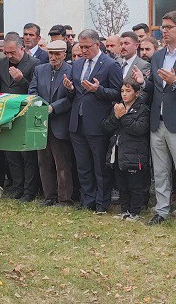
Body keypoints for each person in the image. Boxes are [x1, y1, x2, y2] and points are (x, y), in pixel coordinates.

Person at [131, 11, 176, 232]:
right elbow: (154, 89)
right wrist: (143, 82)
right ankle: (162, 210)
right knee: (160, 170)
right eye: (163, 27)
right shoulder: (158, 56)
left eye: (169, 27)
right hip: (158, 122)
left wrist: (175, 82)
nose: (164, 30)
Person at [63, 29, 122, 213]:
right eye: (81, 47)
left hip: (98, 123)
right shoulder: (77, 64)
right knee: (83, 165)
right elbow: (75, 94)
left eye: (87, 47)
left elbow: (117, 92)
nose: (83, 50)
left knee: (99, 166)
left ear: (97, 44)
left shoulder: (110, 65)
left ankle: (101, 203)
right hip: (77, 122)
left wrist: (98, 90)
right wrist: (70, 88)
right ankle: (87, 200)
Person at [0, 34, 40, 201]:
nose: (9, 56)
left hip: (25, 113)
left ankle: (29, 190)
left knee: (27, 156)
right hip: (7, 113)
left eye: (12, 52)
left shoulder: (34, 64)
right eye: (6, 53)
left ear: (22, 49)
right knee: (11, 154)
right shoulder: (2, 63)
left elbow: (36, 91)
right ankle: (17, 187)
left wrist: (21, 79)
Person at [28, 40, 73, 206]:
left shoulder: (71, 69)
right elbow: (32, 92)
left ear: (64, 54)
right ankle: (49, 196)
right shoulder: (40, 70)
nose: (53, 57)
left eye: (57, 54)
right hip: (41, 121)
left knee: (62, 162)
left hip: (60, 121)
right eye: (50, 54)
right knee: (43, 161)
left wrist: (53, 108)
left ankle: (65, 198)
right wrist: (41, 107)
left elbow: (71, 97)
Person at [102, 80, 150, 221]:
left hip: (134, 153)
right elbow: (106, 127)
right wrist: (116, 118)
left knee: (134, 185)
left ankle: (135, 212)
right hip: (117, 151)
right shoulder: (118, 107)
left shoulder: (142, 109)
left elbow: (139, 129)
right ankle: (125, 210)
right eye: (122, 91)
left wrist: (123, 117)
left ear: (137, 93)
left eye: (128, 91)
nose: (124, 94)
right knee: (121, 184)